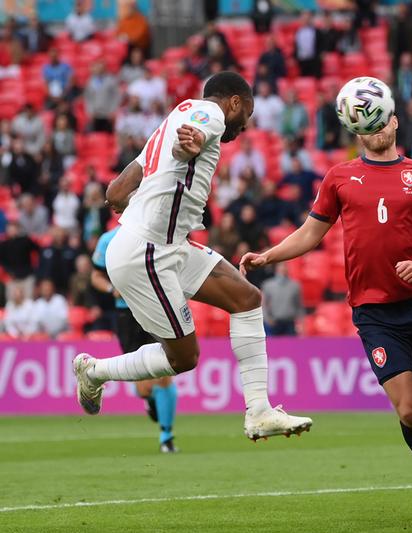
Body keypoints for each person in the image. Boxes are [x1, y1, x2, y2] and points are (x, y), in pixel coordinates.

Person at [239, 105, 412, 523]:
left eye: (381, 120)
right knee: (410, 411)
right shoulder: (339, 177)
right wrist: (268, 256)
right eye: (366, 124)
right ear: (356, 130)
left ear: (395, 121)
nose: (376, 129)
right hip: (375, 315)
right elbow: (311, 233)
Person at [72, 71, 312, 442]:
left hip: (169, 245)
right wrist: (189, 147)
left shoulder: (172, 118)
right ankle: (94, 372)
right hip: (147, 251)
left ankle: (259, 413)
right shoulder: (209, 114)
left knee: (247, 299)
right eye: (246, 115)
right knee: (184, 358)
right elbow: (191, 139)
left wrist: (132, 192)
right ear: (234, 102)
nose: (244, 126)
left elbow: (116, 190)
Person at [92, 225, 179, 452]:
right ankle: (150, 400)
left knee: (165, 371)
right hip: (127, 316)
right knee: (143, 386)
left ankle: (166, 436)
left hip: (155, 309)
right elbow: (96, 275)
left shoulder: (157, 233)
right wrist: (111, 288)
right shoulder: (108, 239)